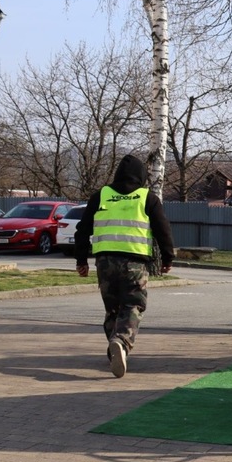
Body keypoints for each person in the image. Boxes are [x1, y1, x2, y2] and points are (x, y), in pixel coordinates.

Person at [74, 154, 175, 378]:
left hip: (104, 262)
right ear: (141, 176)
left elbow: (83, 229)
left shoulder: (101, 195)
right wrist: (168, 258)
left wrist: (81, 260)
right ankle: (121, 342)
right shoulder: (146, 198)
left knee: (113, 309)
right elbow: (162, 229)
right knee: (133, 306)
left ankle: (116, 351)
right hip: (135, 262)